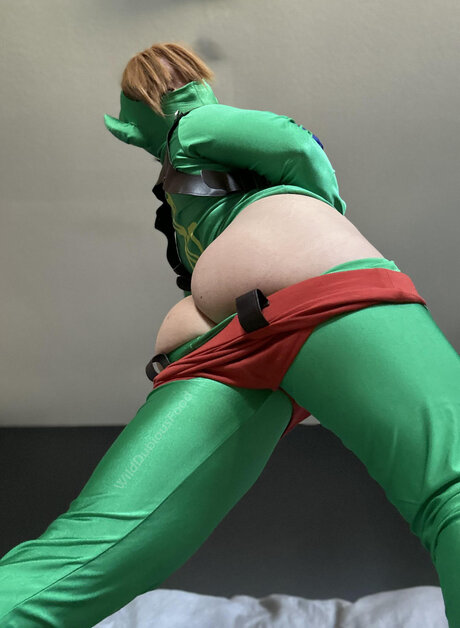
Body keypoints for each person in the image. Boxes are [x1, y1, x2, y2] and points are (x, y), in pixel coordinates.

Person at [0, 41, 459, 628]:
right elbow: (296, 149)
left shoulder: (193, 132)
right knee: (451, 488)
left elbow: (289, 147)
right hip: (269, 317)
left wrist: (308, 214)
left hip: (241, 333)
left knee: (83, 558)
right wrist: (318, 219)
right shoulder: (193, 139)